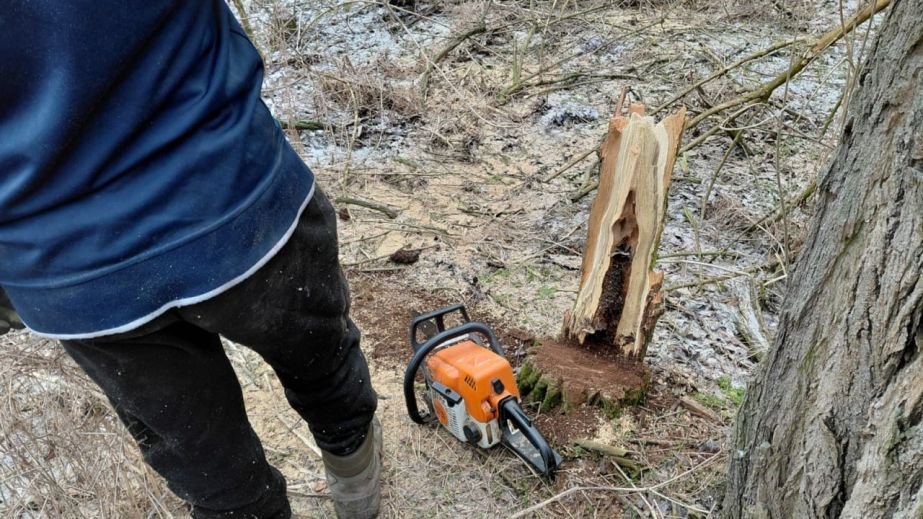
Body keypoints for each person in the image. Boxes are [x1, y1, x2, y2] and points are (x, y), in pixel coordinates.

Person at [0, 2, 380, 518]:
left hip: (66, 269)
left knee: (209, 469)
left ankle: (352, 489)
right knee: (322, 365)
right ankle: (359, 493)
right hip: (229, 188)